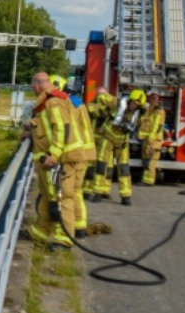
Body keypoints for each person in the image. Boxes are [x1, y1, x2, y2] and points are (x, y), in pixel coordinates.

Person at [21, 71, 89, 249]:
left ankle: (63, 239)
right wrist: (31, 131)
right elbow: (46, 126)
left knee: (62, 197)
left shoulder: (53, 102)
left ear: (37, 85)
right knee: (47, 195)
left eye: (32, 87)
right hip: (57, 158)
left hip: (61, 160)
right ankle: (40, 232)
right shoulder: (48, 102)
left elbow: (61, 128)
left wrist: (54, 155)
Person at [52, 75, 96, 238]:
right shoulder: (77, 101)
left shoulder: (66, 104)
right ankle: (80, 226)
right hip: (85, 150)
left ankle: (71, 230)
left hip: (74, 152)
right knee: (77, 190)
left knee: (69, 192)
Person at [92, 88, 144, 206]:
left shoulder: (138, 112)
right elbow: (101, 96)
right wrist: (102, 96)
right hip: (107, 138)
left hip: (122, 142)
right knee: (101, 165)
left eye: (137, 105)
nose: (134, 106)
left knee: (124, 169)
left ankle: (126, 196)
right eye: (133, 103)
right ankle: (98, 193)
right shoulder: (116, 102)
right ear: (130, 100)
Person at [137, 92, 166, 185]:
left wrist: (151, 137)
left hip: (154, 140)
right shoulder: (148, 110)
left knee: (151, 161)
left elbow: (158, 126)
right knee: (146, 161)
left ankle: (149, 180)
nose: (151, 100)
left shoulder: (159, 111)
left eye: (153, 99)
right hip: (146, 139)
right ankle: (145, 179)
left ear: (158, 100)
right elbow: (142, 121)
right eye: (150, 98)